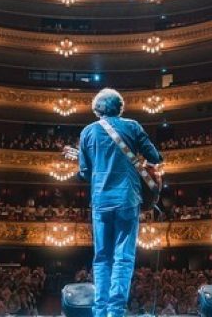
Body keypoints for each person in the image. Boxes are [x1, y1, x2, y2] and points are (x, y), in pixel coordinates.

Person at [77, 88, 163, 317]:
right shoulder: (132, 126)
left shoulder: (87, 132)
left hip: (101, 201)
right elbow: (155, 158)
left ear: (97, 109)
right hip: (127, 199)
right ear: (120, 107)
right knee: (123, 257)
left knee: (102, 257)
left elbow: (84, 173)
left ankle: (100, 311)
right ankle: (115, 312)